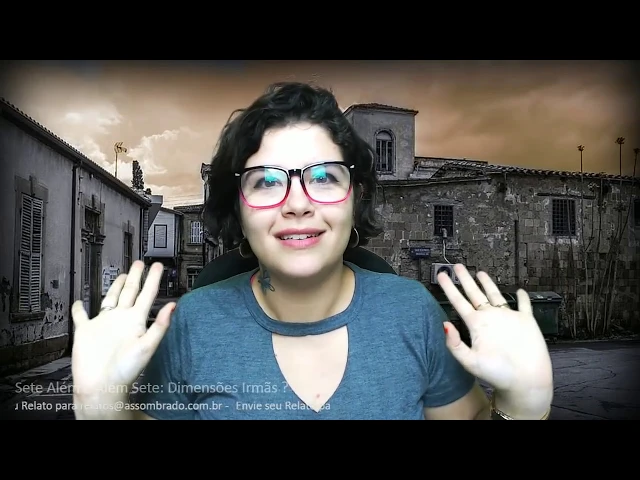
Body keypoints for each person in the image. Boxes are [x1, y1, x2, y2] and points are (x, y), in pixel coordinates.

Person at [70, 82, 553, 420]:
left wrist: (523, 406)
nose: (297, 203)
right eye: (266, 182)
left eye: (323, 177)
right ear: (238, 209)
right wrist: (102, 409)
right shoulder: (190, 326)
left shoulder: (413, 313)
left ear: (355, 198)